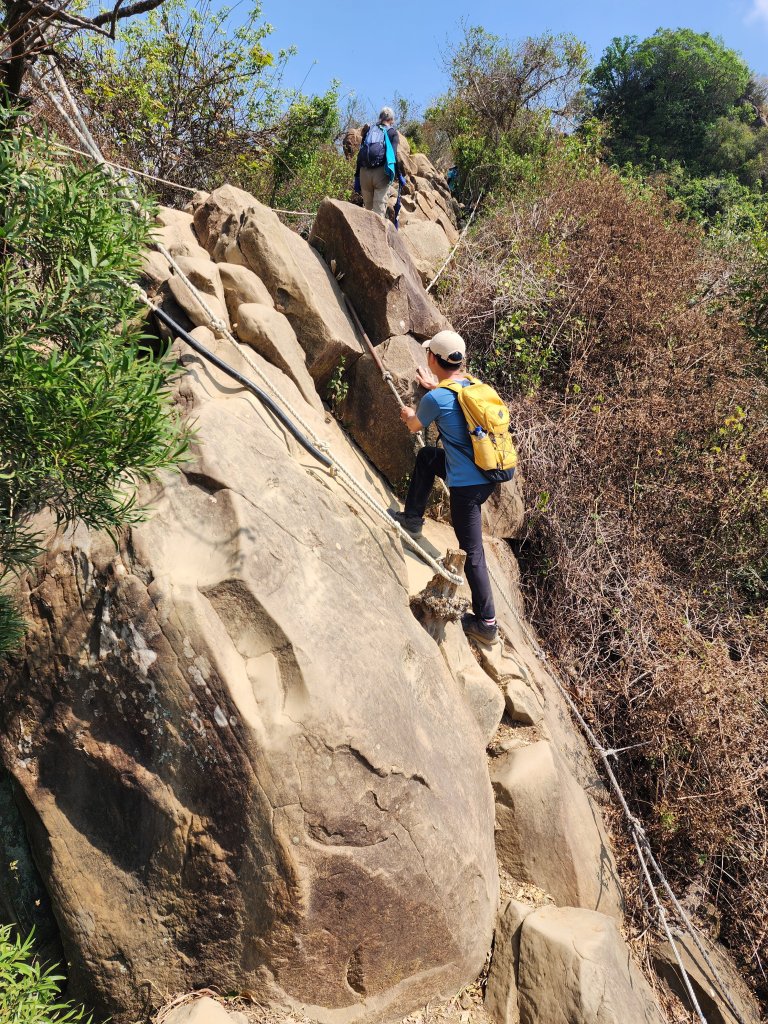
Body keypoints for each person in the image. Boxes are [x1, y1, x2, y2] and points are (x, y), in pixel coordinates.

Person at [389, 331, 504, 646]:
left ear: (432, 359)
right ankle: (412, 520)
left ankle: (487, 623)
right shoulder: (471, 385)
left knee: (474, 552)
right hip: (489, 473)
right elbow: (455, 406)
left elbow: (415, 426)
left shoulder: (437, 398)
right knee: (428, 457)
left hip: (468, 485)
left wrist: (411, 413)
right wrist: (435, 388)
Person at [354, 107, 407, 218]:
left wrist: (357, 177)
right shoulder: (392, 133)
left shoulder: (370, 130)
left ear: (380, 118)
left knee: (368, 210)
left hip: (364, 173)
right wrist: (399, 175)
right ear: (392, 120)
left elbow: (360, 153)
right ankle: (377, 235)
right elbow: (393, 157)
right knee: (378, 214)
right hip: (380, 174)